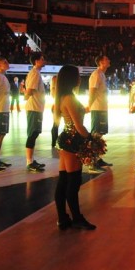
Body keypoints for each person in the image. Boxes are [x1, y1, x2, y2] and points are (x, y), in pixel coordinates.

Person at [54, 65, 96, 230]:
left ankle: (63, 218)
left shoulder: (64, 96)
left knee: (64, 180)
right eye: (77, 75)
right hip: (72, 141)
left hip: (67, 139)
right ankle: (77, 218)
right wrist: (91, 139)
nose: (79, 78)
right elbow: (78, 126)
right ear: (71, 78)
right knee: (74, 180)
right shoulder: (69, 98)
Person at [87, 54, 112, 172]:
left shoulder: (102, 74)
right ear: (101, 62)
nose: (109, 60)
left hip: (102, 108)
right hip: (97, 108)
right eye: (106, 59)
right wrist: (89, 106)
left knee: (100, 134)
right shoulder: (96, 74)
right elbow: (93, 91)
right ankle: (92, 162)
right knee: (95, 135)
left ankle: (97, 158)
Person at [24, 52, 47, 172]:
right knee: (32, 134)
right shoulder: (35, 73)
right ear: (36, 61)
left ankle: (31, 160)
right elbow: (29, 90)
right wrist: (26, 97)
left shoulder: (36, 73)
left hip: (36, 108)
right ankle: (29, 162)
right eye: (42, 59)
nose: (44, 61)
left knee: (35, 133)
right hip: (34, 108)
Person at [0, 58, 12, 171]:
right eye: (5, 62)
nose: (8, 63)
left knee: (1, 135)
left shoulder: (3, 77)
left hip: (4, 109)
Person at [50, 75, 59, 148]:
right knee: (56, 125)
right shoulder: (54, 89)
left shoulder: (54, 88)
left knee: (56, 125)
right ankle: (54, 141)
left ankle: (54, 141)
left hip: (56, 106)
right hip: (56, 107)